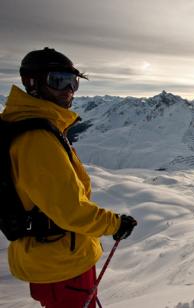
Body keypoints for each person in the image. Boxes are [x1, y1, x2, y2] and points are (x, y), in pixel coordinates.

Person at [1, 47, 137, 308]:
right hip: (61, 261)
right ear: (33, 84)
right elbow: (71, 210)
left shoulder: (30, 125)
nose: (68, 90)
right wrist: (115, 224)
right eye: (57, 81)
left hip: (51, 256)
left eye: (72, 82)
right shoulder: (37, 139)